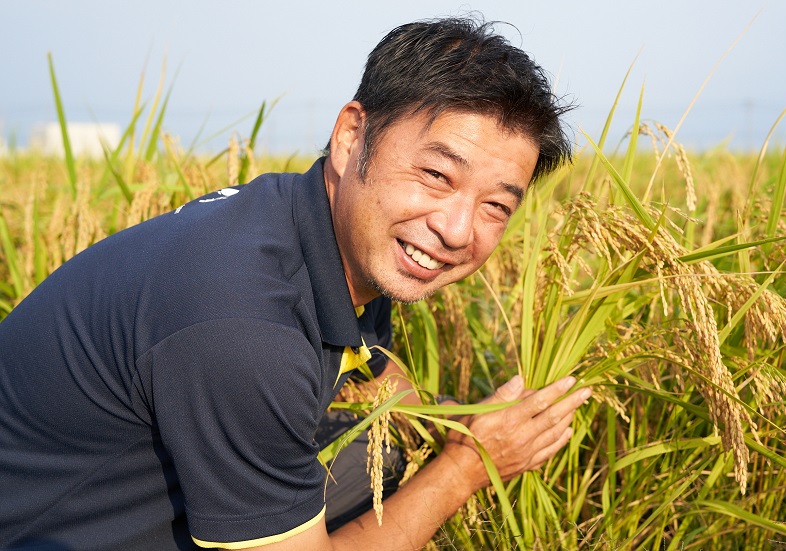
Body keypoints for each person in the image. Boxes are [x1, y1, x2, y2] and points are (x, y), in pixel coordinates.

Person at [0, 16, 591, 551]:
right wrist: (469, 464)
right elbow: (258, 345)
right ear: (351, 137)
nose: (457, 230)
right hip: (44, 531)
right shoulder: (244, 323)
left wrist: (452, 422)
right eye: (437, 175)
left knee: (385, 452)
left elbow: (374, 365)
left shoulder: (312, 223)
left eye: (495, 206)